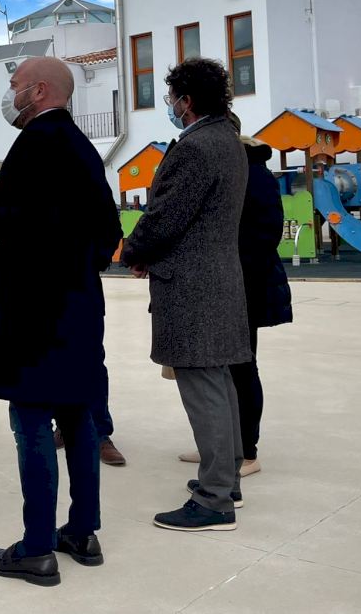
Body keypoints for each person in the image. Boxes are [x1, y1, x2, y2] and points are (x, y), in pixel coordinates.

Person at [0, 56, 122, 588]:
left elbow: (27, 225)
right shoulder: (82, 147)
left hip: (35, 309)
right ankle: (83, 531)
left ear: (39, 91)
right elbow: (105, 230)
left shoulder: (37, 143)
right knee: (78, 417)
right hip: (79, 304)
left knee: (31, 419)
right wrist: (76, 265)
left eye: (14, 85)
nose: (9, 95)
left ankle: (36, 549)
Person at [120, 58, 251, 532]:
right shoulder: (229, 141)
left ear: (187, 100)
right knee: (219, 381)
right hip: (218, 278)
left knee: (202, 387)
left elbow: (166, 216)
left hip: (193, 287)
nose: (170, 106)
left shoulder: (196, 148)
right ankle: (227, 480)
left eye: (172, 97)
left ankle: (214, 500)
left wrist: (133, 250)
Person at [178, 121, 292, 476]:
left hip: (245, 285)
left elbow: (265, 233)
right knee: (216, 368)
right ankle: (220, 445)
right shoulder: (220, 167)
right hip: (215, 283)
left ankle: (247, 451)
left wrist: (228, 268)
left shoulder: (253, 172)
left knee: (242, 366)